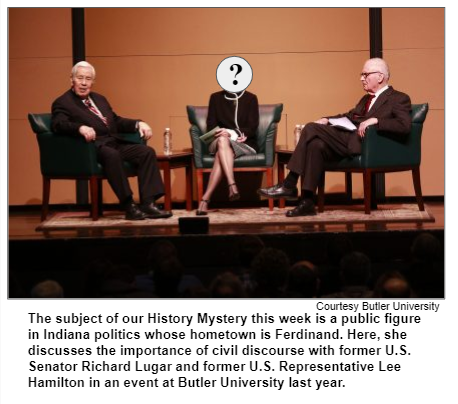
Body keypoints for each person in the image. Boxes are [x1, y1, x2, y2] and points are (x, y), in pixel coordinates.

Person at [258, 58, 412, 217]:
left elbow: (404, 126)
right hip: (349, 140)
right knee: (315, 145)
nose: (361, 78)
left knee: (311, 128)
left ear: (380, 77)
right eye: (361, 75)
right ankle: (307, 202)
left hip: (366, 144)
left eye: (365, 74)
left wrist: (377, 120)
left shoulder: (398, 98)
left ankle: (289, 183)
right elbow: (350, 116)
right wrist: (328, 119)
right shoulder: (366, 99)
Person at [51, 61, 172, 221]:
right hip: (92, 147)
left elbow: (115, 121)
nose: (84, 83)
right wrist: (80, 128)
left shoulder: (99, 99)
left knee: (146, 152)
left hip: (113, 142)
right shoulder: (63, 102)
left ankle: (148, 204)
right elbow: (58, 124)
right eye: (80, 78)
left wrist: (138, 123)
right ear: (71, 79)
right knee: (112, 155)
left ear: (93, 82)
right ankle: (129, 206)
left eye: (88, 79)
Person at [196, 90, 259, 215]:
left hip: (242, 142)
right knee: (222, 140)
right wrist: (222, 133)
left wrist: (233, 133)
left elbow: (252, 128)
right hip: (219, 140)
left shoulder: (251, 98)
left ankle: (205, 200)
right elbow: (211, 126)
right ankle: (232, 184)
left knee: (222, 151)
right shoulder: (215, 98)